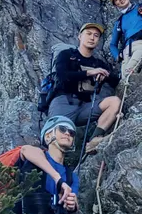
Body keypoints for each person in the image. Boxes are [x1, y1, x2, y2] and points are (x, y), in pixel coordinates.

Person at [47, 22, 121, 154]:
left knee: (114, 102)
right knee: (57, 143)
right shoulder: (66, 55)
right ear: (79, 36)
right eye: (88, 34)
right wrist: (89, 72)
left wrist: (105, 76)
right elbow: (62, 76)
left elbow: (115, 80)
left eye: (96, 35)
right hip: (63, 102)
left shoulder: (98, 63)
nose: (92, 38)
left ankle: (94, 140)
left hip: (85, 107)